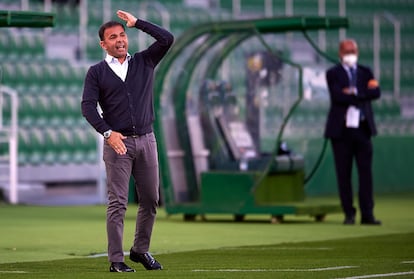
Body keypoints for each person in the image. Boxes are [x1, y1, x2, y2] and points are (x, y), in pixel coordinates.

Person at [81, 10, 174, 272]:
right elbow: (87, 107)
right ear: (103, 44)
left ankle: (140, 251)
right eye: (113, 37)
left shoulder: (144, 61)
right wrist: (107, 133)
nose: (120, 40)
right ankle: (116, 260)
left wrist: (138, 24)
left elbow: (167, 39)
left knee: (150, 200)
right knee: (118, 203)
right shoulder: (96, 72)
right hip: (117, 144)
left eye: (122, 35)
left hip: (147, 140)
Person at [324, 39, 381, 226]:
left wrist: (354, 93)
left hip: (363, 129)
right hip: (341, 132)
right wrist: (360, 94)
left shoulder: (366, 72)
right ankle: (349, 213)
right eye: (347, 51)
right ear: (340, 53)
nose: (350, 54)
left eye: (353, 50)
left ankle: (368, 214)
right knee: (344, 174)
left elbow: (375, 92)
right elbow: (337, 96)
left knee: (366, 174)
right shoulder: (333, 73)